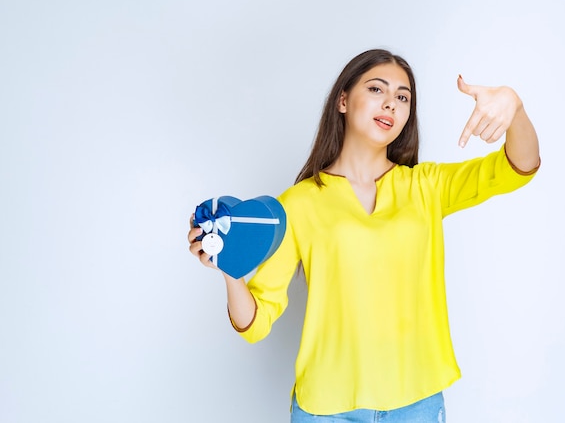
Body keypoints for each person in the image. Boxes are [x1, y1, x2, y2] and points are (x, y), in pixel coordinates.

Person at [187, 49, 540, 422]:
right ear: (343, 100)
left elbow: (518, 167)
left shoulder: (426, 186)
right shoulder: (299, 204)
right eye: (377, 89)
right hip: (327, 409)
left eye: (402, 97)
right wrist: (228, 266)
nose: (390, 104)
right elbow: (256, 323)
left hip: (416, 404)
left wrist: (514, 108)